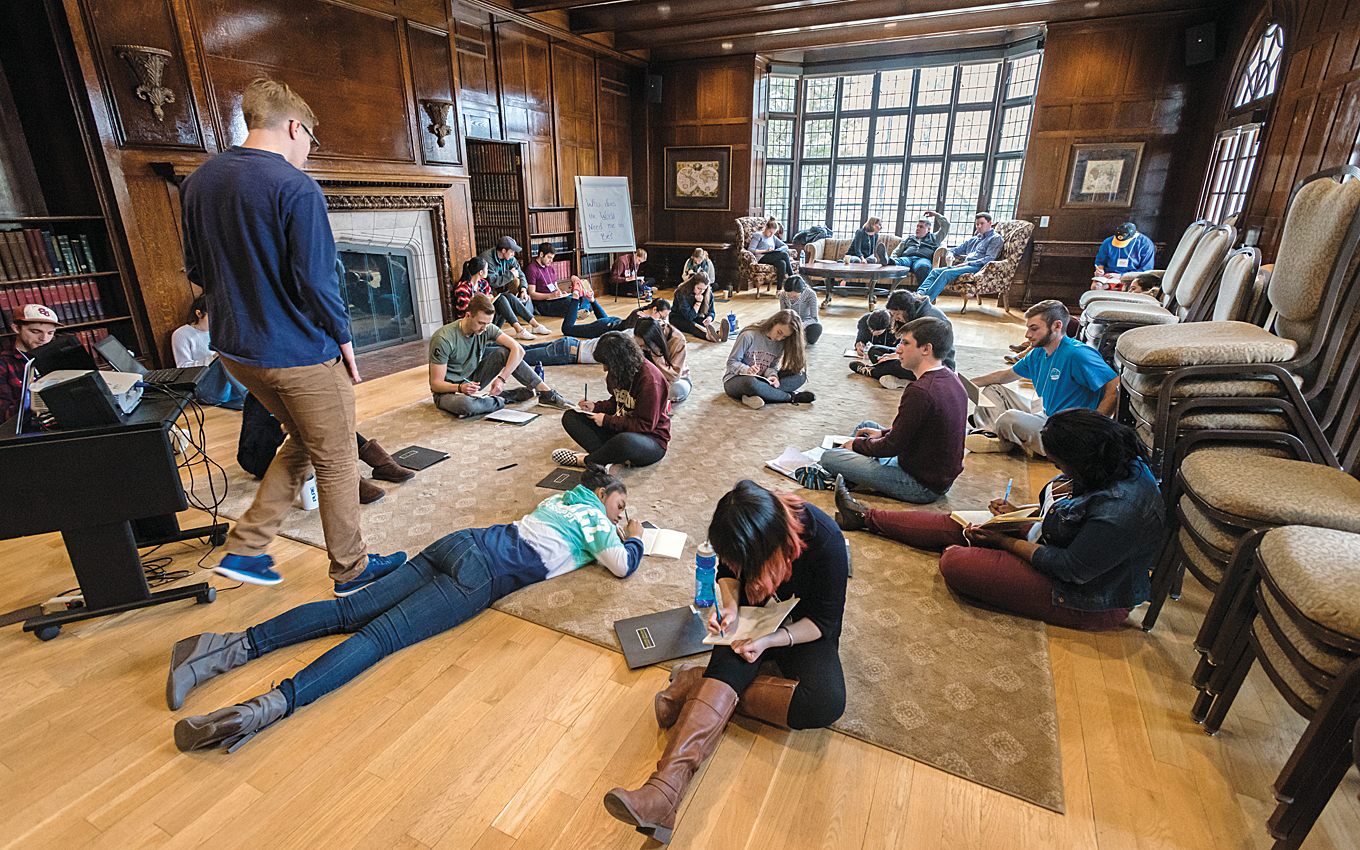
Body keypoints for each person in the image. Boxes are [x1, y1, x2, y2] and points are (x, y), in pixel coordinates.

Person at [168, 463, 644, 751]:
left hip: (459, 542)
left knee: (348, 613)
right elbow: (621, 565)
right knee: (376, 639)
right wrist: (636, 537)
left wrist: (610, 523)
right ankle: (261, 710)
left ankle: (217, 649)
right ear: (603, 495)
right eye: (619, 506)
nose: (620, 517)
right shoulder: (596, 519)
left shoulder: (563, 499)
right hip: (479, 576)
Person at [179, 78, 402, 594]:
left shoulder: (198, 182)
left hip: (236, 351)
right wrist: (344, 341)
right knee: (338, 458)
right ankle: (352, 571)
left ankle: (246, 549)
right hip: (298, 352)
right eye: (311, 141)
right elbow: (318, 281)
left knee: (303, 439)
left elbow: (196, 270)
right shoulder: (296, 187)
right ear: (295, 127)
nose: (308, 153)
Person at [605, 480, 847, 843]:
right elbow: (727, 573)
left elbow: (824, 623)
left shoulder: (825, 541)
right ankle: (662, 794)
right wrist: (731, 609)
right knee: (729, 667)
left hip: (800, 627)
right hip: (754, 614)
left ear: (767, 546)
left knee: (826, 702)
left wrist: (768, 641)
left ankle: (694, 683)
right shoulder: (742, 527)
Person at [834, 409, 1163, 631]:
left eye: (1059, 464)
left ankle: (984, 554)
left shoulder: (1120, 510)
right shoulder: (1110, 460)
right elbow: (1067, 516)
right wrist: (1018, 515)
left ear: (1082, 460)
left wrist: (1004, 541)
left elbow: (1069, 568)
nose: (1057, 470)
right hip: (1056, 540)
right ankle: (863, 517)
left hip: (1086, 596)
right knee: (961, 524)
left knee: (955, 562)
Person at [821, 317, 967, 503]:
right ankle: (851, 470)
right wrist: (882, 433)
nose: (898, 350)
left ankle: (842, 470)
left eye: (905, 343)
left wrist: (856, 445)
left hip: (920, 484)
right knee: (866, 426)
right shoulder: (950, 377)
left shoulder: (920, 391)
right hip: (930, 470)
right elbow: (919, 430)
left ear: (926, 349)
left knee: (829, 457)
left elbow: (892, 446)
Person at [968, 300, 1118, 455]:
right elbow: (1006, 376)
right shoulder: (1038, 352)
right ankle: (991, 433)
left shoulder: (1078, 354)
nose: (1027, 335)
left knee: (1009, 418)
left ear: (1057, 326)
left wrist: (1095, 429)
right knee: (994, 390)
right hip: (1044, 411)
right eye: (1028, 328)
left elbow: (1115, 386)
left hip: (1064, 430)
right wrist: (968, 383)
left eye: (1034, 329)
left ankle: (995, 430)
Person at [428, 293, 573, 418]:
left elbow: (518, 350)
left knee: (505, 352)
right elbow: (435, 384)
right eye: (481, 323)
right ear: (468, 315)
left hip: (472, 381)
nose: (485, 328)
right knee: (466, 406)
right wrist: (460, 388)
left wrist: (502, 378)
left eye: (487, 324)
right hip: (448, 391)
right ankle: (504, 399)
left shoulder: (485, 328)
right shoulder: (443, 338)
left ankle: (546, 393)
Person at [554, 331, 671, 468]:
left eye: (607, 364)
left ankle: (587, 460)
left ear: (619, 362)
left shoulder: (650, 380)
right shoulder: (619, 371)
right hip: (622, 429)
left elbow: (644, 426)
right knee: (571, 417)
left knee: (625, 441)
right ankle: (608, 457)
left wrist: (607, 420)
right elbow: (618, 403)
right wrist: (595, 407)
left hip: (650, 439)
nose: (604, 369)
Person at [850, 289, 954, 389]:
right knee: (874, 350)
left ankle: (872, 371)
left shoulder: (927, 319)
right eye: (893, 315)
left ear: (906, 309)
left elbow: (923, 351)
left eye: (897, 314)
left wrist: (896, 356)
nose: (895, 318)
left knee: (895, 365)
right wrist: (894, 355)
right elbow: (906, 346)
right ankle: (903, 380)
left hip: (936, 364)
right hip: (916, 354)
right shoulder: (914, 313)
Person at [723, 310, 814, 409]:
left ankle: (760, 396)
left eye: (784, 336)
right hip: (738, 379)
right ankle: (790, 397)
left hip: (763, 380)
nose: (779, 338)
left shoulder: (780, 343)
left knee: (800, 376)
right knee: (751, 382)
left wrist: (773, 376)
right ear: (773, 322)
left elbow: (772, 366)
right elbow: (732, 362)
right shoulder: (748, 335)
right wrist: (747, 370)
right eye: (779, 332)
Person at [170, 295, 249, 409]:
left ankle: (254, 395)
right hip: (205, 390)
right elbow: (182, 368)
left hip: (231, 390)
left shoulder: (221, 331)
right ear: (199, 314)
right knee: (223, 358)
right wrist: (212, 358)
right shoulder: (181, 334)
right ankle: (251, 398)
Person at [451, 257, 551, 341]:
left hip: (488, 319)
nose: (488, 271)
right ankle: (519, 330)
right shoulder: (463, 288)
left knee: (509, 297)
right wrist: (482, 300)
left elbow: (491, 298)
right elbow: (466, 312)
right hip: (476, 325)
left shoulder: (483, 283)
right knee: (501, 300)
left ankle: (535, 325)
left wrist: (488, 300)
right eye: (487, 268)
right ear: (480, 272)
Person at [915, 212, 1004, 303]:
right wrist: (950, 254)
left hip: (979, 268)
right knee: (935, 271)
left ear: (990, 223)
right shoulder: (974, 239)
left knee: (946, 273)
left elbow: (989, 259)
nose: (979, 227)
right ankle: (919, 295)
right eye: (977, 224)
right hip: (965, 266)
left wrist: (968, 263)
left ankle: (925, 302)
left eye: (982, 223)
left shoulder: (995, 238)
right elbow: (955, 250)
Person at [0, 303, 61, 423]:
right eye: (35, 331)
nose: (44, 338)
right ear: (16, 328)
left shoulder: (57, 357)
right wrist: (31, 401)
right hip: (30, 428)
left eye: (50, 333)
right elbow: (4, 416)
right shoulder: (4, 364)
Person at [525, 243, 601, 320]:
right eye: (549, 257)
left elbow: (555, 286)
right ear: (541, 254)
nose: (551, 261)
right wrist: (550, 296)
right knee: (571, 301)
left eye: (552, 258)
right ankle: (582, 309)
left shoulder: (550, 268)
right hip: (544, 303)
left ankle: (580, 310)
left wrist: (561, 293)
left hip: (556, 299)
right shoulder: (532, 269)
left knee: (584, 296)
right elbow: (531, 294)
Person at [876, 211, 948, 285]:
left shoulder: (934, 238)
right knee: (897, 262)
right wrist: (893, 258)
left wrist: (936, 215)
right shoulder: (909, 238)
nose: (917, 228)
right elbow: (897, 251)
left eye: (921, 227)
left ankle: (923, 291)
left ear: (928, 229)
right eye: (917, 226)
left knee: (923, 267)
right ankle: (887, 260)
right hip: (907, 259)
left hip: (922, 259)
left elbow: (946, 226)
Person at [633, 316, 691, 402]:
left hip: (674, 380)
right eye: (639, 344)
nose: (642, 348)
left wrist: (656, 354)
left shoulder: (677, 339)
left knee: (676, 390)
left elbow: (674, 376)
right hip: (650, 378)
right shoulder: (639, 336)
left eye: (644, 346)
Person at [671, 271, 727, 342]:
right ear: (693, 285)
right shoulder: (681, 293)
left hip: (696, 316)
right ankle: (707, 336)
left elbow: (711, 311)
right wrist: (698, 302)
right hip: (679, 317)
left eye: (704, 289)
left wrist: (709, 318)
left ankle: (718, 334)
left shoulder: (708, 292)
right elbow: (689, 316)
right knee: (692, 325)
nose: (701, 292)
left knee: (703, 322)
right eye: (699, 288)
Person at [747, 217, 793, 287]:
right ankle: (792, 278)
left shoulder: (773, 237)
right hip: (761, 257)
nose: (771, 235)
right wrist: (765, 251)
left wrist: (777, 250)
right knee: (784, 255)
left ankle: (779, 289)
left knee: (782, 263)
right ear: (766, 227)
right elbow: (751, 249)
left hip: (771, 256)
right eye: (770, 232)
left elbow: (785, 246)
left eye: (773, 233)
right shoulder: (758, 235)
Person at [778, 275, 822, 345]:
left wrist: (800, 326)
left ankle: (799, 340)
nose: (792, 299)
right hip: (790, 324)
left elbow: (814, 319)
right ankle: (793, 339)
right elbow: (783, 315)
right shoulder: (783, 295)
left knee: (817, 328)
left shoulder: (811, 294)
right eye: (789, 296)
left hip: (804, 325)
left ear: (801, 291)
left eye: (795, 296)